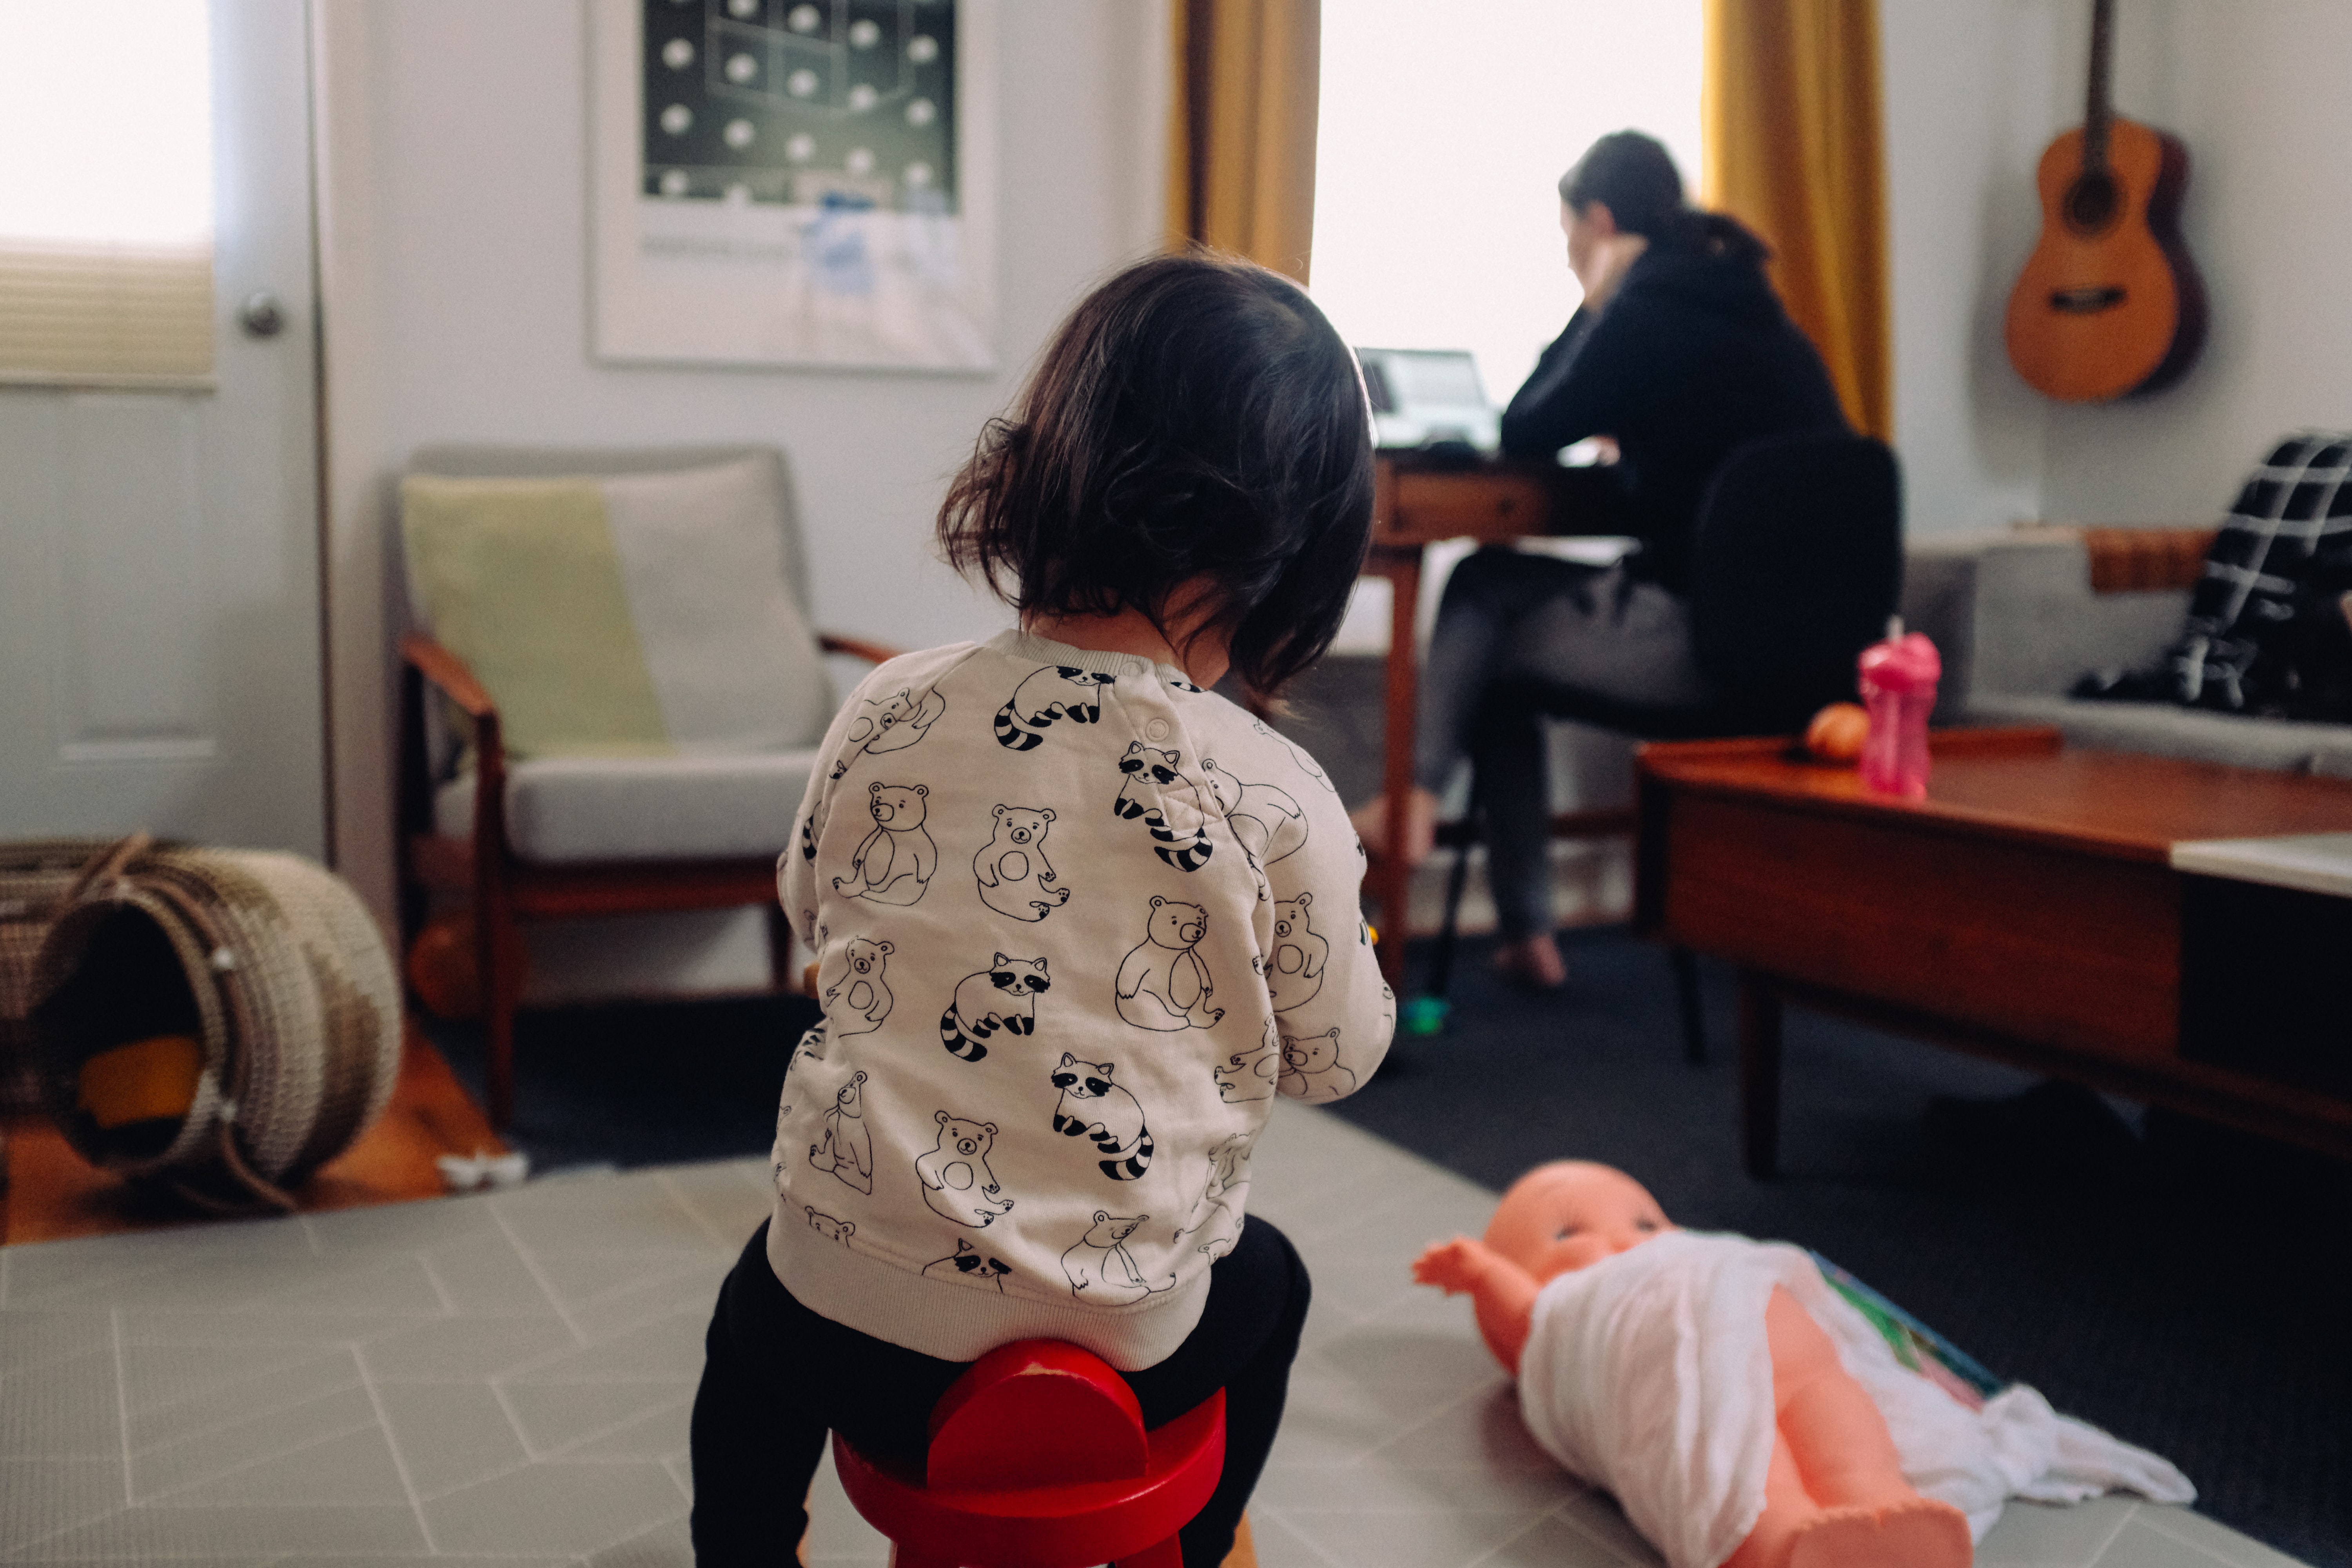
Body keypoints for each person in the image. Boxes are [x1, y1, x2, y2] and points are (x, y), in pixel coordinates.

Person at [690, 252, 1397, 1568]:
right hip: (1125, 1344)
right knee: (1275, 1283)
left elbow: (812, 912)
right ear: (1297, 551)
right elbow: (1337, 1059)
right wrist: (1344, 944)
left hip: (849, 1326)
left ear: (1047, 461)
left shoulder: (890, 703)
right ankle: (1192, 1544)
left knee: (753, 1314)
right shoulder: (1278, 792)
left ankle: (739, 1550)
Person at [1352, 130, 1847, 987]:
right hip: (1806, 658)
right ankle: (1525, 936)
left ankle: (1418, 802)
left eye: (1569, 237)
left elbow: (1527, 425)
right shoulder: (1761, 312)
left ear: (1601, 221)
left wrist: (1593, 305)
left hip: (1701, 651)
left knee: (1481, 582)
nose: (1569, 255)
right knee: (1497, 665)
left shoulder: (1648, 307)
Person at [1414, 1162, 2190, 1568]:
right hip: (1678, 1347)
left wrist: (1493, 1268)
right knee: (1752, 1447)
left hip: (1761, 1313)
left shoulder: (1689, 1250)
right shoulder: (1571, 1310)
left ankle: (1878, 1509)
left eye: (1645, 1217)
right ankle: (1786, 1537)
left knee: (1835, 1408)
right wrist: (1486, 1271)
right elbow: (1530, 1319)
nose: (1621, 1235)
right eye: (1565, 1233)